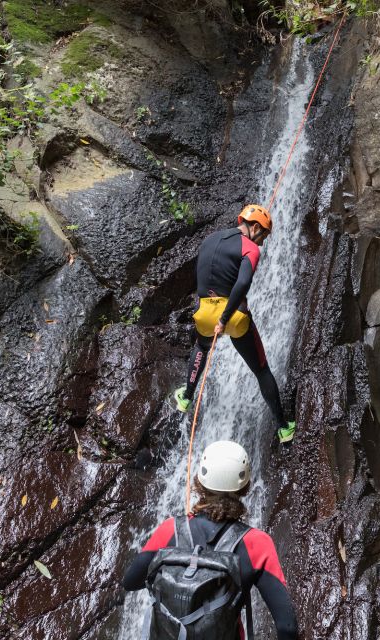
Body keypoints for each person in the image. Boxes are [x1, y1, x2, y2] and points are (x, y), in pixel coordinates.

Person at [122, 440, 298, 640]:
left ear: (199, 482)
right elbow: (287, 626)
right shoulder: (256, 543)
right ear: (245, 487)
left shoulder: (170, 530)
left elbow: (130, 582)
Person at [173, 204, 296, 443]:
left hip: (204, 311)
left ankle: (186, 396)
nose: (262, 243)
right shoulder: (250, 248)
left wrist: (215, 316)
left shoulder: (209, 239)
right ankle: (283, 427)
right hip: (234, 315)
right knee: (260, 369)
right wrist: (225, 317)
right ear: (255, 226)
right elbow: (243, 284)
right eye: (263, 236)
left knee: (201, 347)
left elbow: (202, 274)